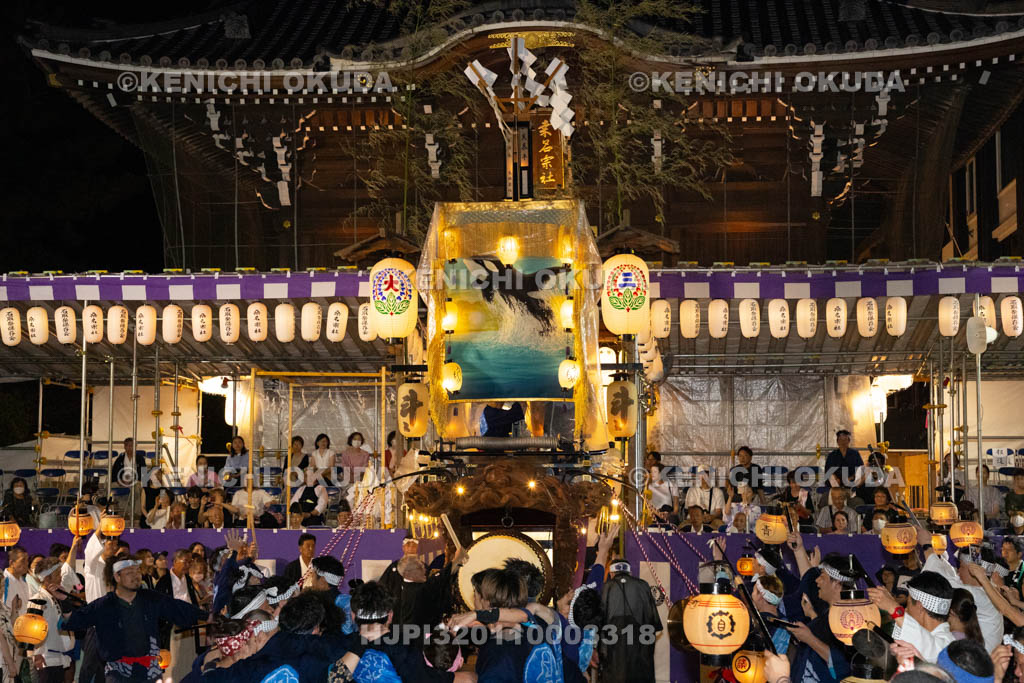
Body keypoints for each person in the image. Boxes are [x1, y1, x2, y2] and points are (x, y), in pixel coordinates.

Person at [65, 557, 203, 682]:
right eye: (130, 572)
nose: (136, 576)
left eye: (137, 571)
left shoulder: (150, 598)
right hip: (118, 671)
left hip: (150, 669)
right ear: (117, 577)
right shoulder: (104, 605)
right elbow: (75, 620)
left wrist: (206, 616)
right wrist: (64, 602)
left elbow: (177, 607)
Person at [868, 570, 956, 662]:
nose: (906, 609)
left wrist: (892, 607)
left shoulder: (948, 646)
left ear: (919, 606)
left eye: (908, 604)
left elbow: (928, 646)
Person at [600, 559, 662, 683]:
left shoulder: (607, 587)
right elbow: (653, 622)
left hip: (615, 651)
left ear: (612, 573)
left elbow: (601, 623)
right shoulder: (643, 585)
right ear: (629, 572)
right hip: (639, 648)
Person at [156, 549, 202, 682]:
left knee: (189, 659)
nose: (188, 565)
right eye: (185, 562)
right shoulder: (164, 582)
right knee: (174, 662)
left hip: (190, 625)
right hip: (173, 626)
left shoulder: (188, 579)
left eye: (190, 562)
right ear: (175, 562)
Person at [27, 557, 75, 683]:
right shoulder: (38, 599)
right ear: (47, 578)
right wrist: (36, 655)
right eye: (57, 574)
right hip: (45, 659)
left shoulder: (54, 598)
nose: (60, 577)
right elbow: (31, 629)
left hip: (56, 656)